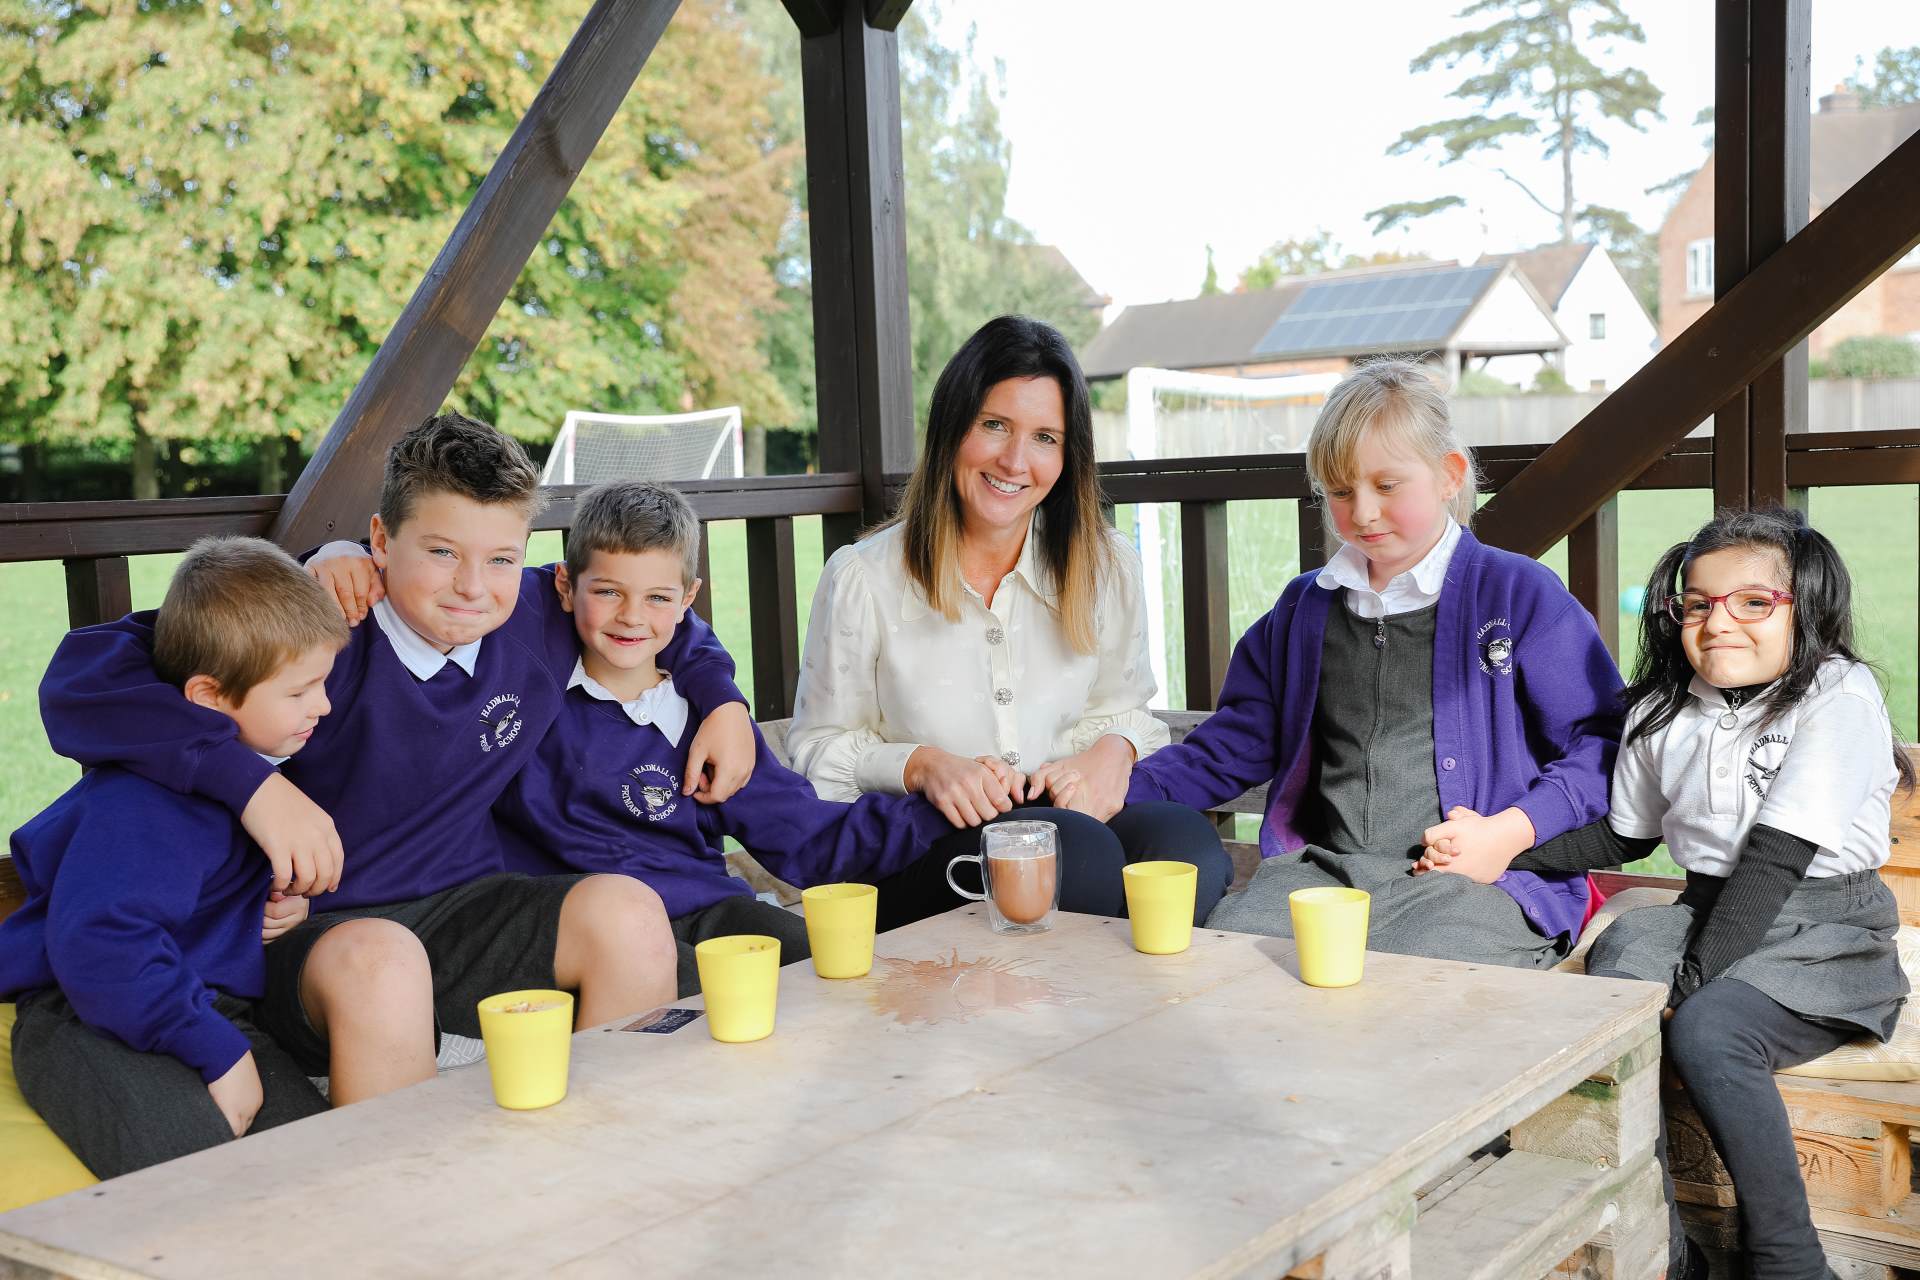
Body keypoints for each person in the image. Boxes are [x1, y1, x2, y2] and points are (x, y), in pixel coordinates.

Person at [34, 413, 758, 1102]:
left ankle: (612, 1143)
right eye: (441, 552)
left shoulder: (537, 610)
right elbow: (86, 673)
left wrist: (722, 698)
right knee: (384, 965)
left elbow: (648, 610)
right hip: (317, 932)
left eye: (501, 558)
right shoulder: (319, 624)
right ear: (380, 538)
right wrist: (255, 787)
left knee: (629, 913)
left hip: (467, 904)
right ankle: (395, 1187)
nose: (472, 585)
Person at [1419, 505, 1910, 1280]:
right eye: (1699, 603)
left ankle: (1789, 1260)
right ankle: (1666, 1252)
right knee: (1604, 1004)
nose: (1720, 623)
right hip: (1705, 910)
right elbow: (1624, 837)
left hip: (1823, 927)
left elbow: (1774, 863)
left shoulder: (1835, 695)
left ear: (1806, 608)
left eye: (1754, 602)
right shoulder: (1663, 707)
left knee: (1709, 1029)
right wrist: (1499, 854)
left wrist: (1690, 985)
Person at [1126, 358, 1621, 967]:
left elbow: (1602, 743)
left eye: (1387, 486)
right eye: (1341, 492)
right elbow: (1237, 741)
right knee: (1231, 957)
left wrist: (1511, 831)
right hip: (1323, 874)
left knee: (1425, 975)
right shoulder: (1304, 608)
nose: (1361, 513)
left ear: (1449, 476)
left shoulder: (1520, 595)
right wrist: (1126, 789)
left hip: (1479, 884)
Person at [787, 314, 1230, 931]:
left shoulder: (1106, 566)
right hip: (928, 842)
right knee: (1077, 855)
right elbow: (817, 750)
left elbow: (1124, 712)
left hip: (1067, 819)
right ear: (952, 428)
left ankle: (1109, 992)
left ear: (1068, 456)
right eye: (994, 425)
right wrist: (921, 766)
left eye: (1045, 437)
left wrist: (1115, 750)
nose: (1015, 460)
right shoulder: (864, 576)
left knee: (1184, 850)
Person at [486, 481, 957, 995]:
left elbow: (806, 836)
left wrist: (941, 808)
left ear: (687, 599)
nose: (632, 616)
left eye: (658, 598)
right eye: (608, 592)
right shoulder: (526, 696)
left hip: (706, 909)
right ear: (566, 586)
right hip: (585, 928)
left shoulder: (709, 725)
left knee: (820, 972)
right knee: (702, 992)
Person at [0, 538, 347, 1176]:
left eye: (323, 683)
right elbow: (101, 941)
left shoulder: (260, 776)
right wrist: (218, 1052)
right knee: (194, 1173)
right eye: (301, 691)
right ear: (208, 697)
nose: (323, 705)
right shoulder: (141, 804)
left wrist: (267, 912)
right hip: (86, 1012)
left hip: (200, 1005)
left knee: (315, 1170)